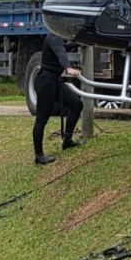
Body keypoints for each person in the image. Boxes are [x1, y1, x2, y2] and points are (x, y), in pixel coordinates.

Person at [33, 32, 84, 165]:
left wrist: (78, 43)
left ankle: (67, 140)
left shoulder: (57, 38)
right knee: (42, 119)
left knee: (76, 105)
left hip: (55, 80)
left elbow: (64, 47)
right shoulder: (54, 38)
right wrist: (68, 68)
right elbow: (60, 52)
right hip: (45, 82)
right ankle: (39, 156)